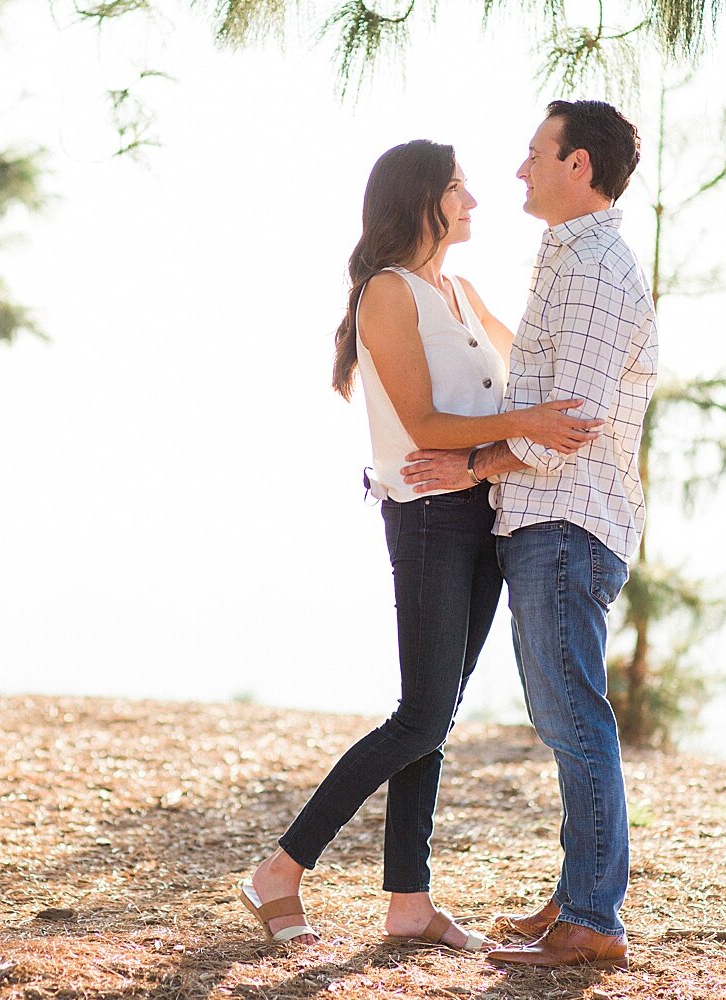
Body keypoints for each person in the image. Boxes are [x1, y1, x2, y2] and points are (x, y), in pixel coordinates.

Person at [236, 139, 603, 951]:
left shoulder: (462, 293)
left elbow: (533, 369)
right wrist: (522, 425)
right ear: (423, 199)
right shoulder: (387, 294)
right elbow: (424, 425)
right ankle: (281, 871)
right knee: (419, 715)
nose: (476, 200)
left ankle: (408, 903)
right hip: (430, 514)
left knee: (434, 715)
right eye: (460, 188)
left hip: (483, 514)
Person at [401, 100, 657, 970]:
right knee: (564, 718)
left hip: (566, 519)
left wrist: (471, 465)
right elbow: (541, 399)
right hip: (551, 521)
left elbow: (569, 426)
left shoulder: (592, 271)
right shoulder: (569, 259)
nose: (519, 171)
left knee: (572, 716)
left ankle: (594, 917)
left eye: (534, 154)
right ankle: (576, 897)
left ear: (577, 165)